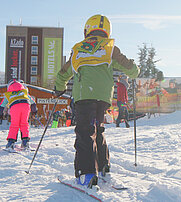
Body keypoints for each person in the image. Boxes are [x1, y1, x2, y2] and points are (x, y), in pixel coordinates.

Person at [53, 14, 140, 188]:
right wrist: (134, 71)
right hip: (103, 98)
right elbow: (131, 70)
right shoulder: (110, 48)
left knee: (85, 132)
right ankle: (103, 168)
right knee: (98, 130)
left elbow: (64, 73)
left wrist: (59, 88)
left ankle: (85, 175)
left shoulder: (78, 49)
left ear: (87, 30)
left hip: (84, 96)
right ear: (107, 30)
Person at [0, 79, 35, 150]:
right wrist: (34, 110)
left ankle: (11, 143)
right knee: (24, 123)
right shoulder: (24, 91)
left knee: (14, 124)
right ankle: (25, 142)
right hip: (26, 105)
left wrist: (0, 114)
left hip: (15, 107)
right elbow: (32, 101)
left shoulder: (8, 93)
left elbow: (2, 105)